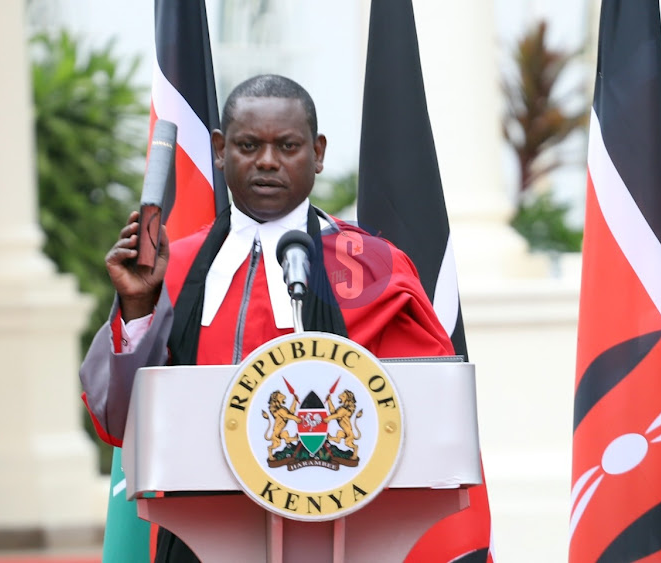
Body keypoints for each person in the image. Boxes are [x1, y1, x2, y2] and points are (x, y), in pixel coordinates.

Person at [80, 74, 454, 562]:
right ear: (220, 150)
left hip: (338, 535)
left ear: (318, 153)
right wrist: (136, 308)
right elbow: (117, 424)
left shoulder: (375, 269)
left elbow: (423, 423)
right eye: (249, 145)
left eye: (289, 146)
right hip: (199, 537)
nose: (268, 161)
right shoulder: (176, 268)